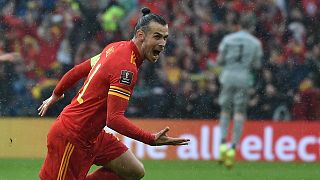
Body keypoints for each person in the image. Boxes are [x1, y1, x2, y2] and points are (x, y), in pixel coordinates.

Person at [38, 7, 189, 180]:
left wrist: (57, 93)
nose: (162, 43)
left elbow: (79, 70)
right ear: (141, 35)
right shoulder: (127, 68)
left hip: (93, 135)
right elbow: (114, 119)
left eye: (165, 38)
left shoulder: (115, 47)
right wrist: (150, 139)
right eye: (157, 36)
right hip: (73, 136)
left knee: (133, 171)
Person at [216, 13, 263, 168]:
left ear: (239, 25)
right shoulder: (255, 43)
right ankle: (232, 148)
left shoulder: (228, 39)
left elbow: (220, 61)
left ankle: (222, 144)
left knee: (225, 111)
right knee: (239, 113)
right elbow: (257, 65)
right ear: (251, 27)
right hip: (243, 79)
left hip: (228, 77)